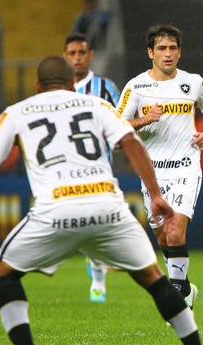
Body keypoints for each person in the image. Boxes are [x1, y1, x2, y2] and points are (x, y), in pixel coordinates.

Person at [0, 56, 203, 345]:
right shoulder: (97, 103)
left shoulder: (15, 112)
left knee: (2, 274)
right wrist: (156, 195)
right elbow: (129, 140)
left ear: (37, 86)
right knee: (156, 280)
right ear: (73, 83)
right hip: (107, 206)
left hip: (55, 210)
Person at [116, 25, 203, 307]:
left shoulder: (194, 83)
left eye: (173, 48)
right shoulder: (136, 87)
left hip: (186, 167)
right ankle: (186, 288)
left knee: (175, 229)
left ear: (180, 51)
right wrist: (143, 120)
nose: (168, 53)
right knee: (162, 234)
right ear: (150, 53)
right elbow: (115, 128)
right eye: (162, 48)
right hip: (152, 174)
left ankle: (176, 299)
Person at [64, 31, 121, 303]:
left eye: (81, 53)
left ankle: (98, 283)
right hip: (64, 172)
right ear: (66, 56)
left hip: (100, 169)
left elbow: (121, 122)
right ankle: (95, 261)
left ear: (90, 55)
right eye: (72, 53)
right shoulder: (57, 91)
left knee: (96, 223)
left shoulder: (106, 87)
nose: (77, 58)